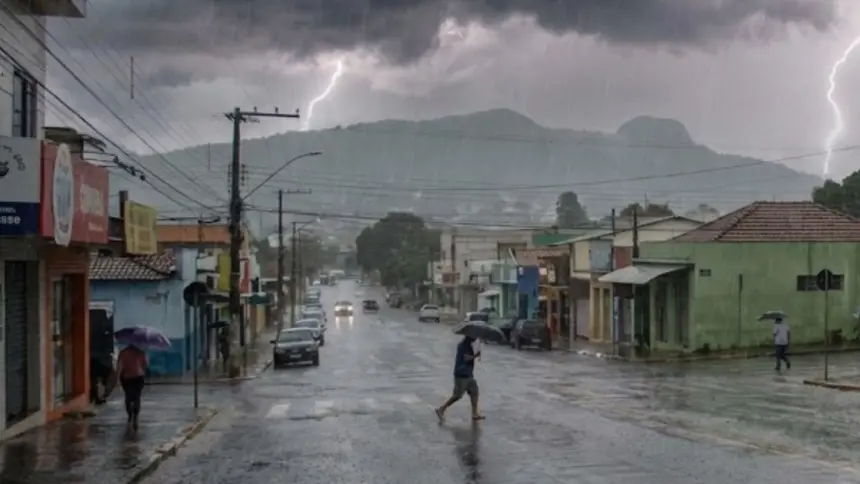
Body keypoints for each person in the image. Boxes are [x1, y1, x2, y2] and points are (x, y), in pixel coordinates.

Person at [435, 335, 485, 422]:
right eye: (474, 337)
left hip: (468, 374)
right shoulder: (463, 346)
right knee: (457, 395)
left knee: (474, 392)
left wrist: (476, 353)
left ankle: (474, 413)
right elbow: (466, 358)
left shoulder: (469, 345)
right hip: (461, 374)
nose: (475, 338)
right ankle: (441, 409)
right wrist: (475, 356)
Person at [116, 344, 147, 430]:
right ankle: (136, 414)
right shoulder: (140, 352)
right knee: (137, 396)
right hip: (139, 376)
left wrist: (117, 380)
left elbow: (119, 366)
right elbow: (145, 364)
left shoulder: (123, 352)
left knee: (128, 396)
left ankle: (130, 414)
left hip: (126, 377)